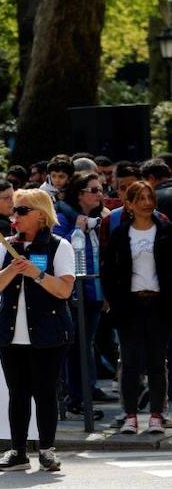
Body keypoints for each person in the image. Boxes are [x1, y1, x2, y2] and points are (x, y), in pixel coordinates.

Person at [0, 188, 74, 472]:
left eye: (22, 211)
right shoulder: (7, 244)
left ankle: (47, 449)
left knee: (46, 392)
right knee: (17, 392)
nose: (15, 216)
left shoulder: (59, 246)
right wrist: (12, 269)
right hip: (11, 332)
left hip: (47, 330)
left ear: (41, 214)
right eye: (14, 210)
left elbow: (64, 289)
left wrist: (36, 273)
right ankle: (18, 450)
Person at [102, 181, 172, 434]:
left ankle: (156, 414)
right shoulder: (121, 233)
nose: (146, 203)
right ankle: (130, 415)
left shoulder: (165, 230)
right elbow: (107, 270)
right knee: (130, 361)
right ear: (129, 204)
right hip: (129, 305)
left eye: (149, 197)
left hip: (158, 303)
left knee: (157, 360)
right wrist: (113, 300)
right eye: (139, 198)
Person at [54, 171, 115, 411]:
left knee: (86, 342)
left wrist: (105, 293)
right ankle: (77, 396)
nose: (100, 194)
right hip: (74, 291)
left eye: (101, 190)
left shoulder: (100, 219)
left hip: (95, 291)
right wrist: (75, 231)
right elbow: (58, 249)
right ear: (79, 194)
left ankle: (84, 394)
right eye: (94, 190)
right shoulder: (64, 216)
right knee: (76, 345)